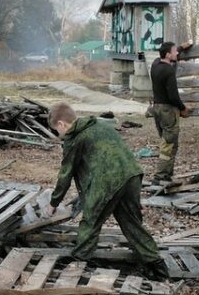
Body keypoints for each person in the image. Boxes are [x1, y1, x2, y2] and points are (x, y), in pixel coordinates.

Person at [47, 102, 169, 280]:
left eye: (57, 131)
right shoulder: (100, 124)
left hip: (108, 180)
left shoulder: (75, 139)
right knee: (131, 222)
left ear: (61, 124)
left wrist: (53, 203)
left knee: (91, 221)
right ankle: (158, 268)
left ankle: (78, 264)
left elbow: (65, 174)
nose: (59, 135)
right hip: (132, 175)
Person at [148, 41, 189, 183]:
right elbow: (173, 96)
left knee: (168, 141)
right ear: (167, 54)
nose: (177, 53)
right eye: (174, 51)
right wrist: (183, 108)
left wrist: (180, 47)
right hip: (168, 110)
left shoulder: (155, 65)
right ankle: (161, 176)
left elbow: (165, 54)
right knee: (169, 144)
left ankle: (167, 174)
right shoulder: (168, 71)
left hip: (157, 108)